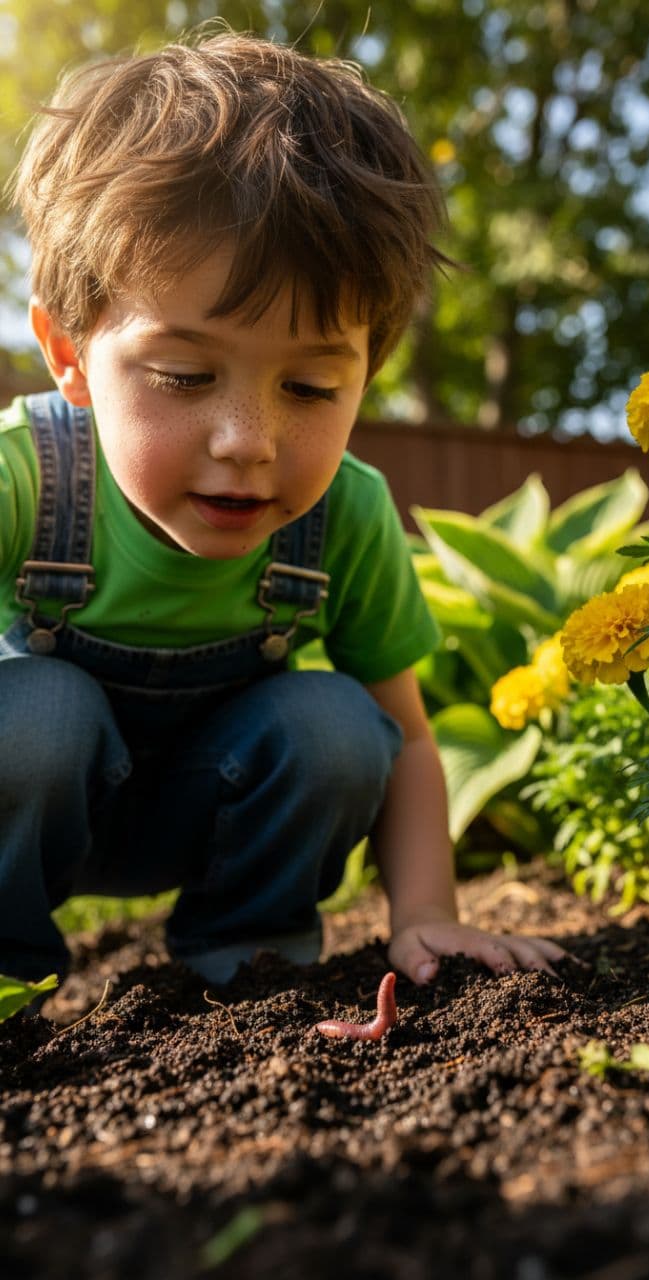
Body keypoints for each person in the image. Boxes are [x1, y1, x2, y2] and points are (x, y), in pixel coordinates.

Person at [0, 27, 569, 994]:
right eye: (185, 376)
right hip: (36, 809)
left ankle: (249, 968)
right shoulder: (27, 479)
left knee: (336, 725)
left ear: (367, 374)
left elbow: (409, 738)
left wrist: (427, 915)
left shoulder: (344, 515)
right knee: (36, 712)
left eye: (308, 388)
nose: (247, 441)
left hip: (215, 808)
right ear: (69, 354)